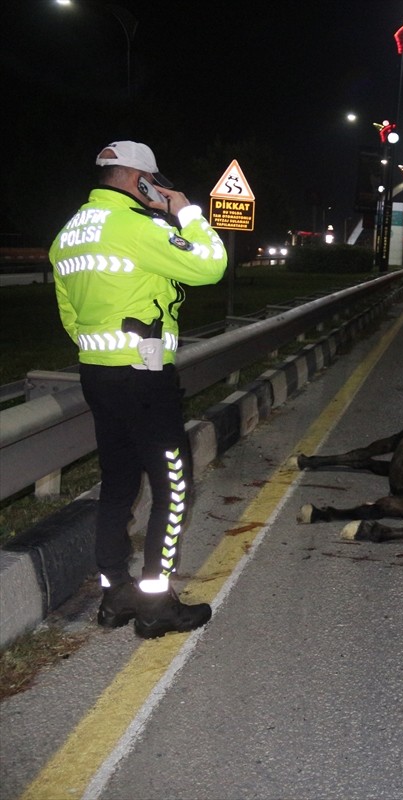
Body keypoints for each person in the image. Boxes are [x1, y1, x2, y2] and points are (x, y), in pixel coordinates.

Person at [48, 141, 228, 639]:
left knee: (118, 485)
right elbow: (211, 265)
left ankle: (115, 596)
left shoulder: (67, 236)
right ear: (141, 180)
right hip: (144, 377)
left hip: (97, 373)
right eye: (155, 182)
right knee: (173, 485)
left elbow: (69, 315)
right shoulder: (138, 227)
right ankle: (157, 605)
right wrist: (187, 211)